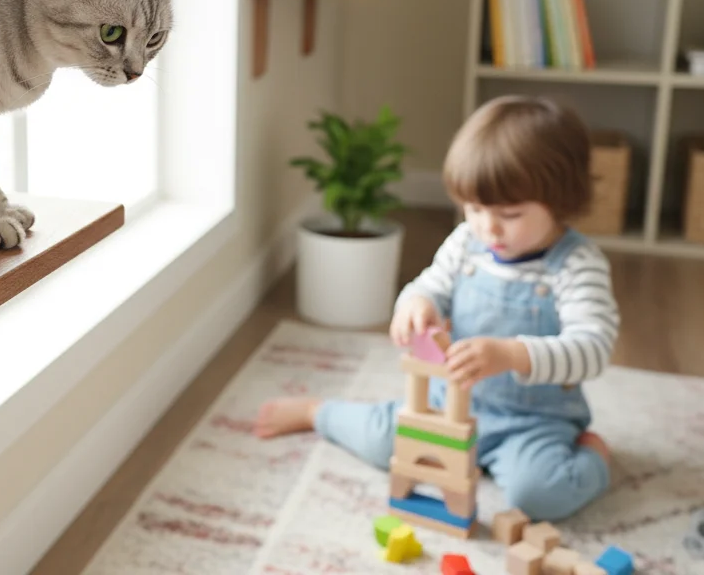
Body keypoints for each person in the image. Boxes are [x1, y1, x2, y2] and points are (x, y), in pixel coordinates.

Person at [254, 95, 618, 522]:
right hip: (449, 401)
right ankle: (320, 412)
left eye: (510, 213)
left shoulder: (576, 264)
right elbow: (430, 284)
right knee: (380, 441)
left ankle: (594, 456)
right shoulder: (468, 243)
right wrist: (416, 304)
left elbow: (594, 348)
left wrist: (510, 354)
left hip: (532, 420)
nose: (488, 226)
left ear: (562, 199)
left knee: (539, 494)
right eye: (475, 208)